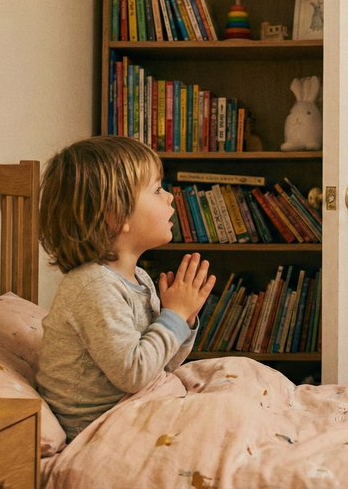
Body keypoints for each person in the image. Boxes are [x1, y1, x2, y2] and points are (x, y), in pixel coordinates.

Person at [36, 136, 216, 440]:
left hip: (133, 406)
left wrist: (183, 320)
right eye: (157, 190)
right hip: (99, 427)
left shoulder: (140, 279)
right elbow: (134, 374)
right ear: (116, 216)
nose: (170, 197)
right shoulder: (92, 287)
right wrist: (173, 314)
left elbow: (163, 363)